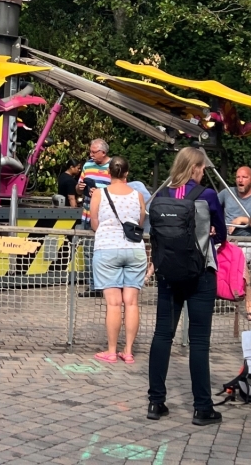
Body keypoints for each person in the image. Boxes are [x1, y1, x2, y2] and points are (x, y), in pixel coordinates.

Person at [147, 146, 226, 426]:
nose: (204, 172)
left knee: (162, 336)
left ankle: (156, 402)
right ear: (194, 168)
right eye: (202, 167)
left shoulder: (161, 196)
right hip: (200, 273)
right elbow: (222, 233)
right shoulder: (206, 196)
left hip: (168, 274)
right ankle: (202, 407)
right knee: (199, 341)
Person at [90, 156, 147, 364]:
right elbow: (140, 221)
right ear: (126, 173)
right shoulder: (138, 195)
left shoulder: (99, 193)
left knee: (114, 304)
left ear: (108, 173)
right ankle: (129, 351)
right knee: (131, 302)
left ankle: (112, 351)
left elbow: (94, 222)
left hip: (107, 248)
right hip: (135, 249)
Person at [217, 166, 251, 321]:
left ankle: (249, 304)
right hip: (226, 241)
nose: (240, 180)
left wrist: (243, 220)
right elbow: (211, 208)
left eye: (244, 177)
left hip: (246, 242)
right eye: (238, 177)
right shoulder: (227, 193)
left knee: (240, 262)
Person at [77, 139, 112, 297]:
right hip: (87, 215)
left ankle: (108, 286)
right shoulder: (87, 165)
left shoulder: (114, 166)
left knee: (107, 252)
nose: (90, 155)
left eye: (93, 152)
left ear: (103, 153)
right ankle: (93, 286)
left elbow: (120, 189)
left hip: (106, 217)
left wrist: (99, 193)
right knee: (88, 252)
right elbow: (78, 188)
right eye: (90, 152)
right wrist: (80, 188)